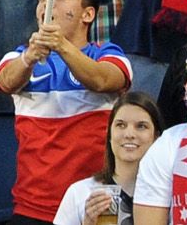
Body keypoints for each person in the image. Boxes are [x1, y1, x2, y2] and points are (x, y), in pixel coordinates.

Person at [0, 0, 132, 225]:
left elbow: (104, 80)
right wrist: (29, 57)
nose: (47, 4)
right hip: (32, 207)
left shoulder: (108, 54)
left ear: (87, 14)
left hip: (94, 203)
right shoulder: (19, 57)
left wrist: (62, 46)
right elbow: (6, 82)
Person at [55, 92, 165, 225]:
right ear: (109, 133)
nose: (129, 134)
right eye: (121, 125)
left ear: (157, 137)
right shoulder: (80, 193)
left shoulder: (168, 195)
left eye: (141, 126)